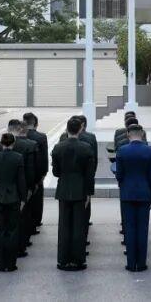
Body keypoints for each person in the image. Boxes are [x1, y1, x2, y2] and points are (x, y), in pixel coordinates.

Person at [52, 117, 94, 271]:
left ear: (67, 129)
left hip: (64, 188)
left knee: (64, 226)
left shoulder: (58, 148)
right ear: (80, 129)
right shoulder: (86, 148)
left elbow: (56, 172)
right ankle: (78, 260)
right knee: (79, 226)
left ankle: (63, 259)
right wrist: (89, 193)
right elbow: (89, 174)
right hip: (80, 189)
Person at [113, 123, 151, 272]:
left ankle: (131, 263)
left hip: (127, 192)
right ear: (142, 133)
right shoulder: (149, 150)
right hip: (144, 192)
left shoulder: (122, 150)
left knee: (130, 228)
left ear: (128, 134)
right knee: (143, 229)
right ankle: (142, 263)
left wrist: (123, 184)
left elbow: (119, 174)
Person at [0, 132, 25, 272]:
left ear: (1, 143)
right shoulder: (18, 157)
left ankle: (1, 264)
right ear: (13, 143)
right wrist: (23, 198)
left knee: (0, 230)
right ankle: (11, 263)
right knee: (13, 230)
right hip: (13, 196)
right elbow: (21, 180)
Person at [9, 120, 37, 257]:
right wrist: (31, 186)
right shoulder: (30, 145)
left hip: (7, 188)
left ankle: (9, 247)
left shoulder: (3, 145)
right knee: (23, 217)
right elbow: (31, 170)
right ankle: (22, 245)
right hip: (23, 186)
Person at [23, 113, 49, 239]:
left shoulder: (20, 137)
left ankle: (26, 224)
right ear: (36, 124)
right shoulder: (41, 137)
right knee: (37, 200)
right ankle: (36, 221)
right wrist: (44, 173)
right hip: (37, 173)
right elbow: (44, 157)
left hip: (23, 174)